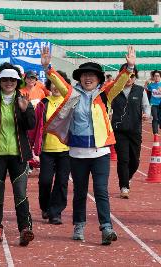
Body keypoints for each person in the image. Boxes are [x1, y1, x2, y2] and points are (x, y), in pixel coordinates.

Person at [41, 45, 136, 245]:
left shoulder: (104, 95)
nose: (88, 78)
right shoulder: (72, 94)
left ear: (99, 78)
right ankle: (79, 225)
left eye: (92, 75)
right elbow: (57, 80)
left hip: (100, 153)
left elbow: (119, 83)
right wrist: (48, 67)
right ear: (79, 78)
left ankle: (106, 227)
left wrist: (129, 66)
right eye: (84, 75)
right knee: (80, 192)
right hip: (77, 153)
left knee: (101, 191)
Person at [0, 62, 36, 246]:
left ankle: (25, 229)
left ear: (18, 82)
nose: (9, 82)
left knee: (20, 193)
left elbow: (31, 125)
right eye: (5, 79)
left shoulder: (23, 99)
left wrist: (25, 110)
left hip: (18, 155)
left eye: (12, 79)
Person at [30, 70, 71, 225]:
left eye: (58, 83)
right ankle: (45, 207)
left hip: (66, 151)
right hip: (47, 151)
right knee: (45, 181)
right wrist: (33, 149)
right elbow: (34, 127)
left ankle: (56, 212)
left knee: (61, 182)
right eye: (52, 83)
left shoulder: (69, 102)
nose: (55, 86)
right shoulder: (43, 104)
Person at [111, 64, 150, 199]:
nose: (129, 78)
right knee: (123, 159)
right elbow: (107, 106)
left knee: (135, 161)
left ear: (135, 77)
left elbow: (146, 106)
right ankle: (124, 187)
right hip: (119, 130)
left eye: (132, 75)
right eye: (126, 75)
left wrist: (146, 114)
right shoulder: (114, 90)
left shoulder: (140, 91)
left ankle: (127, 178)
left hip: (135, 130)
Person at [145, 70, 161, 134]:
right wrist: (146, 83)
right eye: (155, 76)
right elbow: (145, 88)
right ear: (153, 77)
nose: (156, 77)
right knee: (155, 118)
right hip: (153, 104)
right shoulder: (151, 85)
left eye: (158, 76)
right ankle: (155, 133)